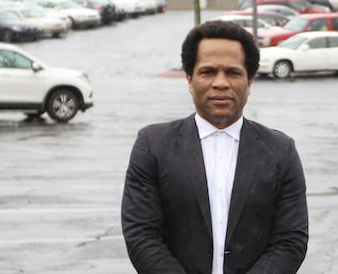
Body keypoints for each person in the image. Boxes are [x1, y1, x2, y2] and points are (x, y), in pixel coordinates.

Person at [121, 20, 309, 273]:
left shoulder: (280, 151)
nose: (220, 83)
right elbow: (141, 235)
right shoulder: (152, 146)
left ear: (250, 81)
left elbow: (290, 240)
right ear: (189, 79)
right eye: (208, 71)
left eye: (233, 72)